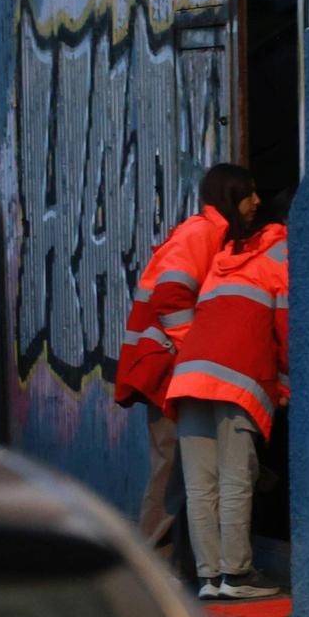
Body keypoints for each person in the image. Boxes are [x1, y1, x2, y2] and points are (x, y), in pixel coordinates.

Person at [115, 164, 260, 564]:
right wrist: (195, 349)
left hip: (170, 366)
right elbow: (172, 295)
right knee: (172, 471)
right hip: (167, 369)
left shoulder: (213, 233)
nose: (256, 202)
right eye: (249, 193)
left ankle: (169, 567)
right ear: (233, 196)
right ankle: (146, 570)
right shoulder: (203, 233)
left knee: (182, 471)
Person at [166, 188, 289, 600]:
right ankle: (236, 575)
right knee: (237, 477)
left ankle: (209, 578)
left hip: (188, 375)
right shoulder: (280, 253)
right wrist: (284, 382)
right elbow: (286, 324)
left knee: (200, 484)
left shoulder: (223, 259)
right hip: (237, 376)